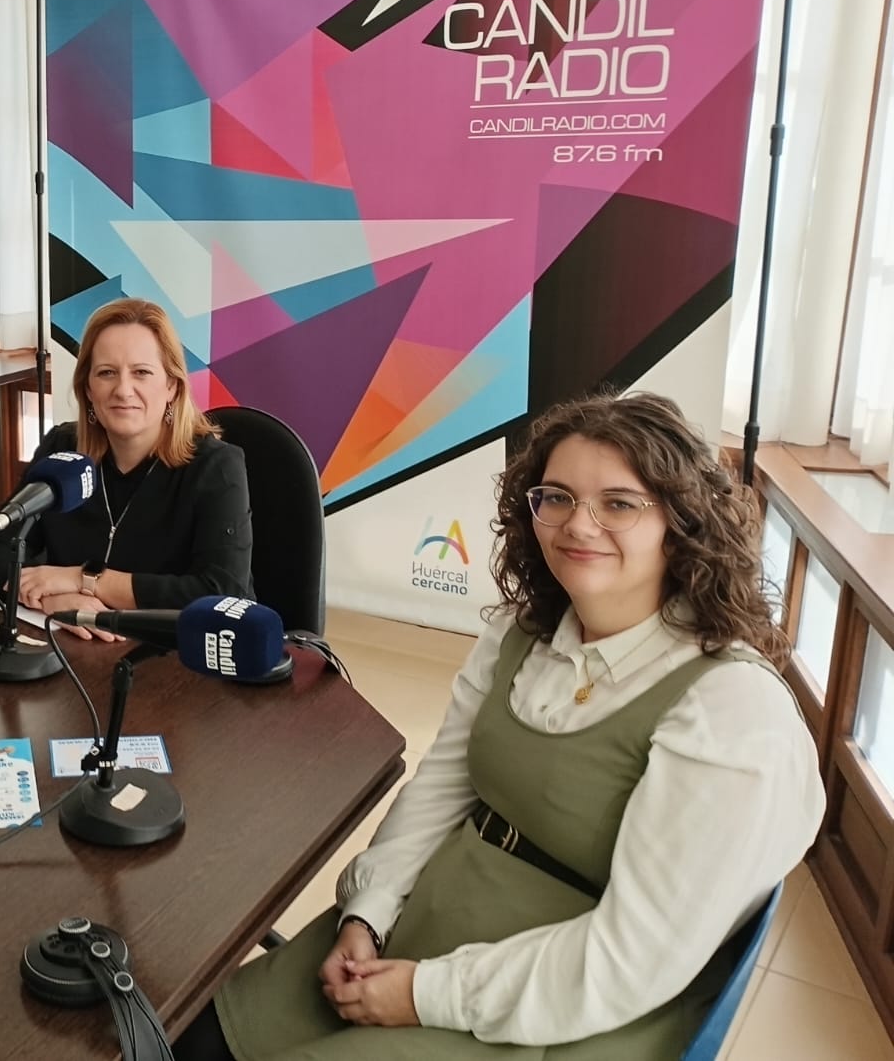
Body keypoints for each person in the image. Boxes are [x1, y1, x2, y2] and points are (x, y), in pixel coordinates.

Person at [175, 391, 825, 1060]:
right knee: (192, 1040)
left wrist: (423, 993)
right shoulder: (524, 629)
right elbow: (443, 785)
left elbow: (632, 960)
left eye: (619, 504)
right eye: (557, 498)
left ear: (681, 522)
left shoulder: (731, 708)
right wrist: (368, 911)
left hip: (570, 997)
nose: (579, 525)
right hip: (443, 909)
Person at [0, 298, 252, 639]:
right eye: (106, 372)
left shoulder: (216, 466)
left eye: (141, 372)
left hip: (178, 651)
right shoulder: (63, 450)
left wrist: (83, 580)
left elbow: (222, 593)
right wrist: (56, 600)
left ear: (171, 386)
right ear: (88, 389)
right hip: (78, 648)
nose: (123, 390)